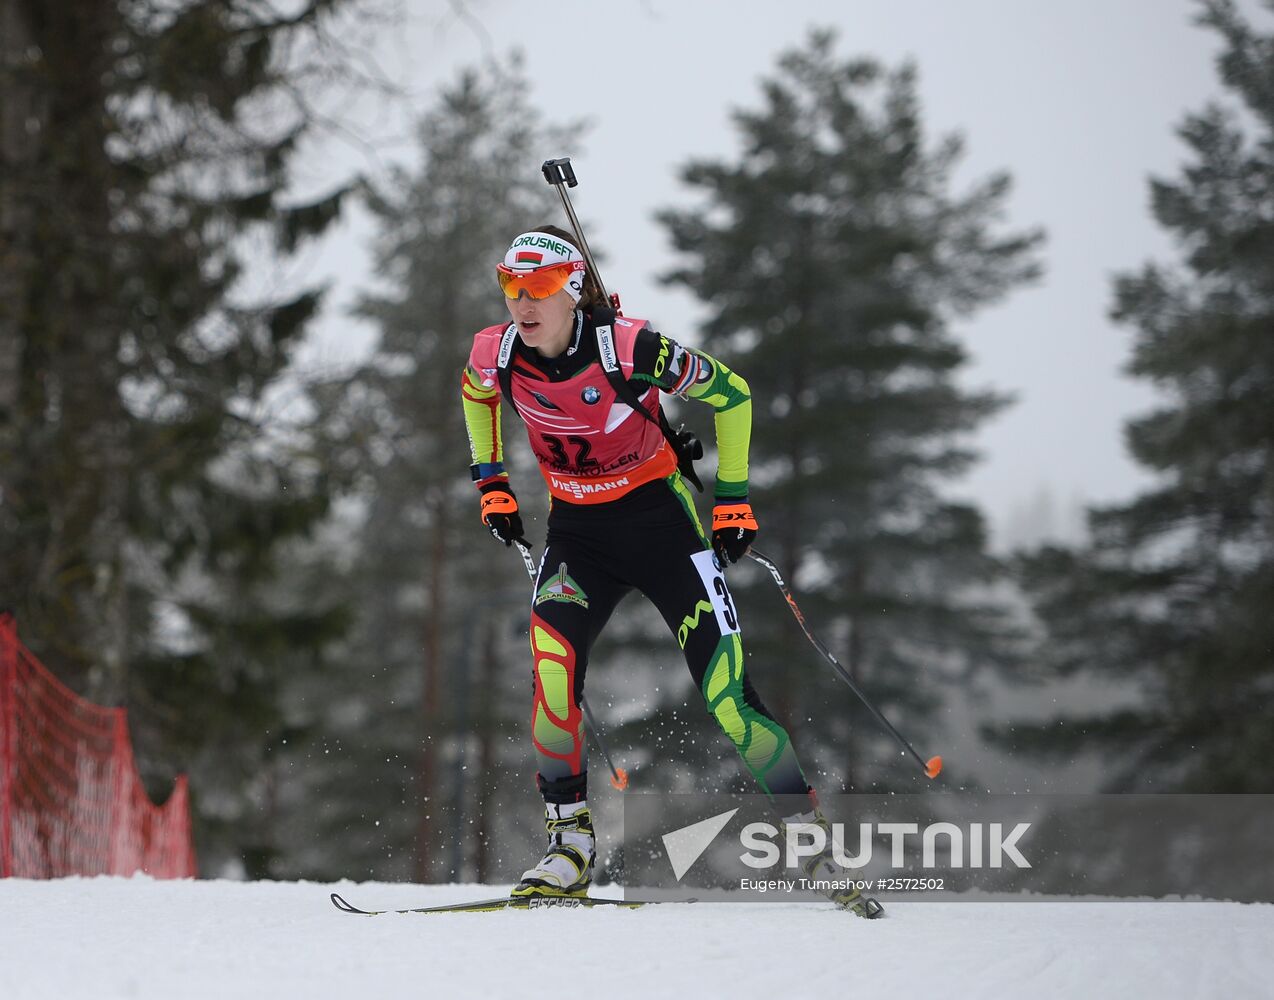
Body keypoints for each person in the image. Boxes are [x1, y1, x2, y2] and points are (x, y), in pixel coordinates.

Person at [460, 225, 863, 911]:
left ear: (574, 288)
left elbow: (731, 393)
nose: (522, 303)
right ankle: (570, 845)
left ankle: (811, 842)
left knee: (728, 697)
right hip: (577, 536)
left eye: (539, 287)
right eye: (510, 286)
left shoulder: (629, 347)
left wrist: (732, 500)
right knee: (552, 683)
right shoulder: (495, 353)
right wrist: (490, 481)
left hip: (662, 528)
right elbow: (476, 397)